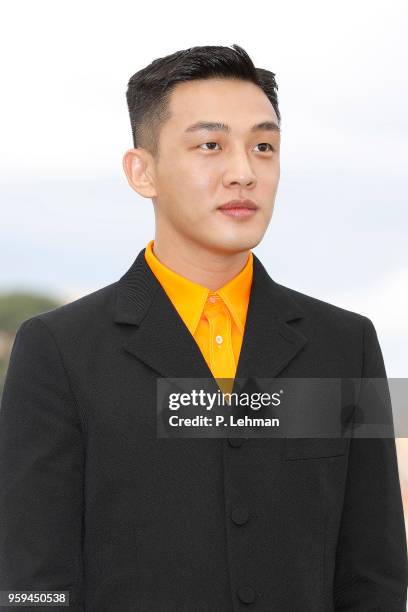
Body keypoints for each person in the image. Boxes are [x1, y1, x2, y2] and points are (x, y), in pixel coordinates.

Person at [0, 43, 407, 611]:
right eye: (210, 145)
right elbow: (31, 582)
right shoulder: (59, 350)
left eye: (264, 147)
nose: (244, 172)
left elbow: (375, 577)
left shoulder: (348, 343)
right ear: (143, 172)